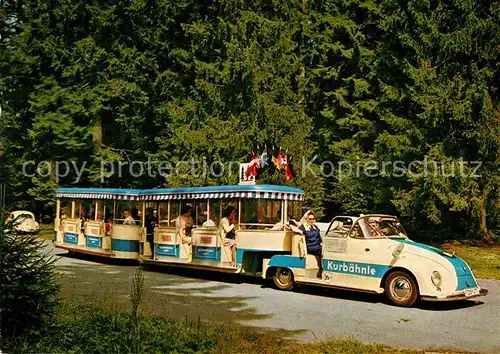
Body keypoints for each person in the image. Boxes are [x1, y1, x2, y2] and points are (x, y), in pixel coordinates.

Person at [299, 210, 323, 278]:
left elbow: (319, 239)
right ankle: (321, 268)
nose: (312, 220)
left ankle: (322, 268)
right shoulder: (303, 227)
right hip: (309, 246)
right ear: (307, 219)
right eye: (310, 219)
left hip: (317, 245)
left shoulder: (316, 228)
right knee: (319, 250)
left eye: (313, 219)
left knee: (324, 250)